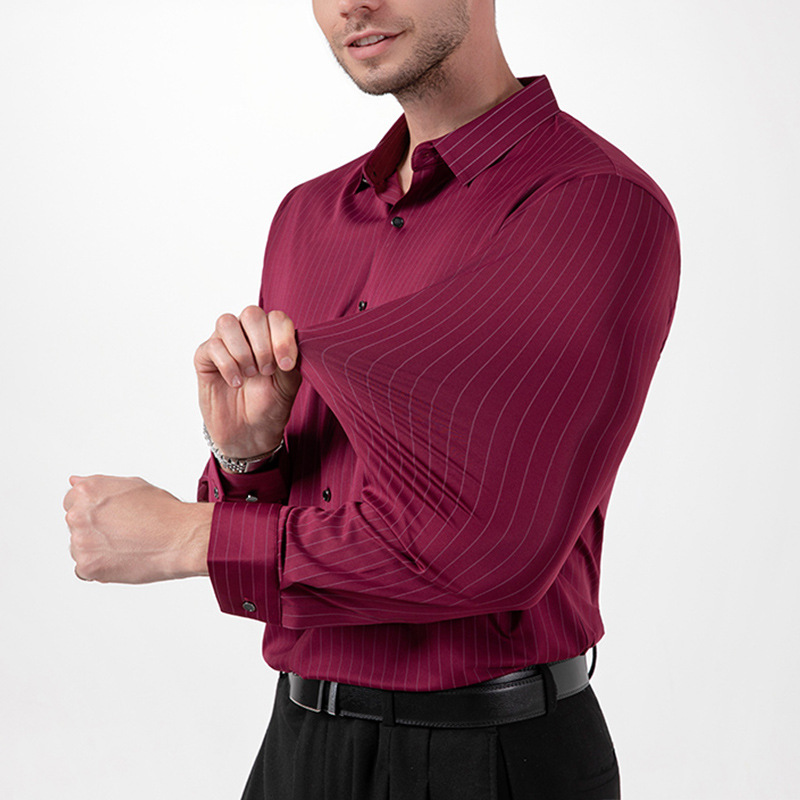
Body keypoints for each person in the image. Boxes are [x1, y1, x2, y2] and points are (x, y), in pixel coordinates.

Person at [64, 0, 680, 797]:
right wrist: (248, 455)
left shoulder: (590, 203)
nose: (353, 3)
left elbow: (488, 547)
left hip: (489, 757)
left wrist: (191, 537)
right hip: (297, 742)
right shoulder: (307, 216)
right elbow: (310, 512)